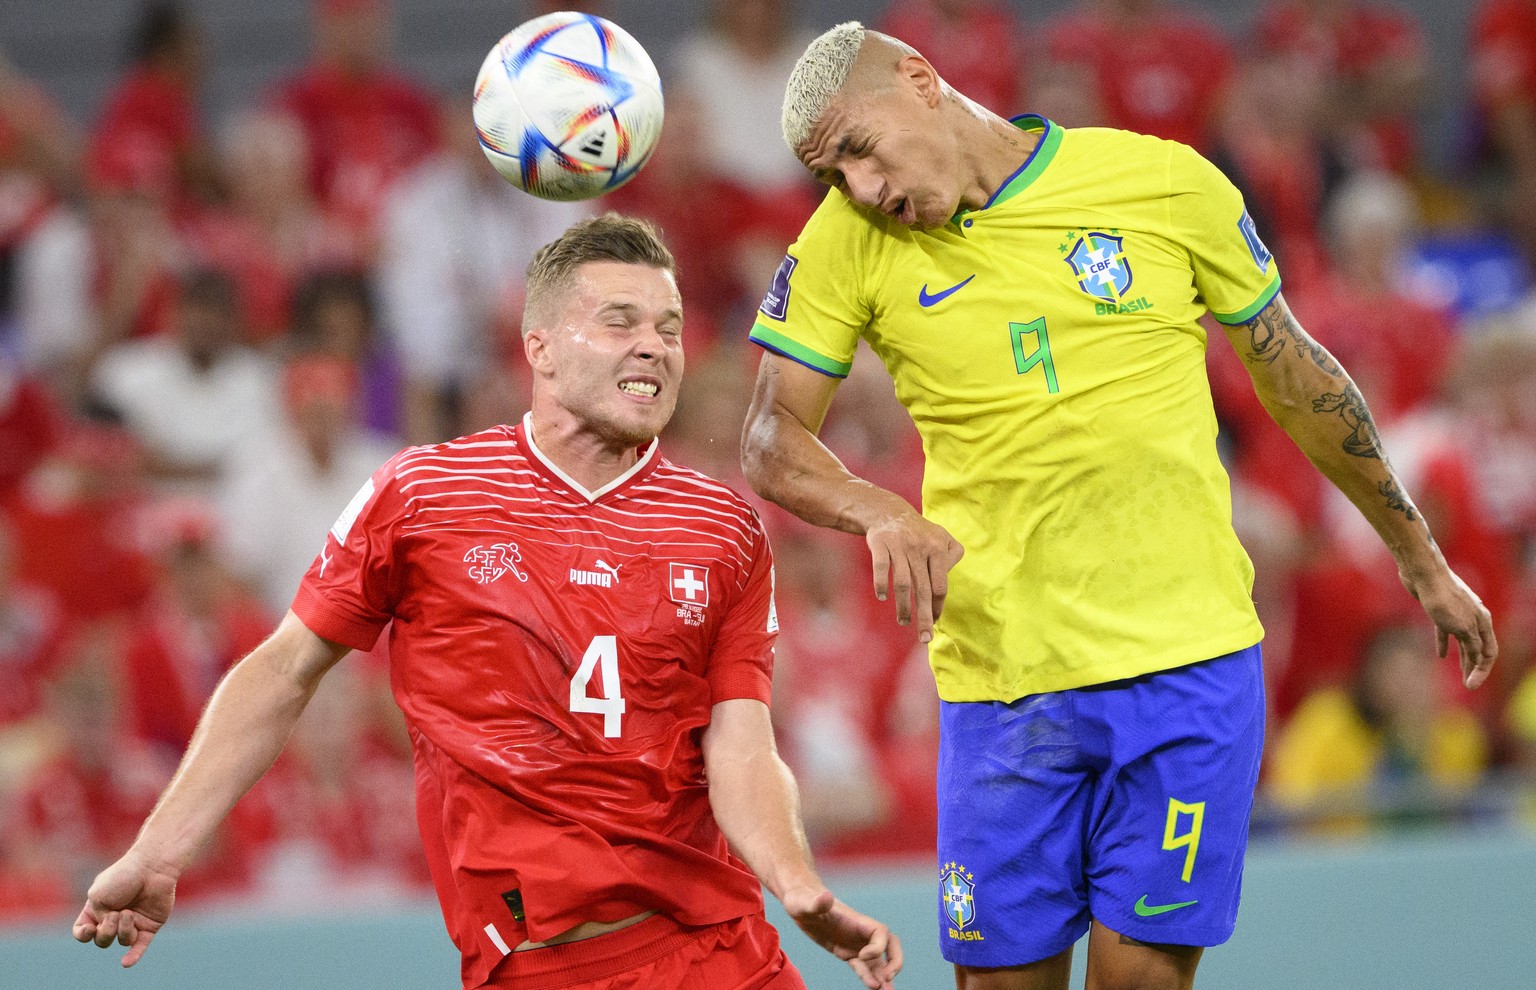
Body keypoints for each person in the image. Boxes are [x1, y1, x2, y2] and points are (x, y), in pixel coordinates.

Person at [740, 23, 1497, 990]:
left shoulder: (1164, 183)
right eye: (831, 174)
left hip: (1187, 668)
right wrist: (875, 508)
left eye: (857, 148)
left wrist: (1419, 555)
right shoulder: (850, 240)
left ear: (920, 82)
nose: (860, 187)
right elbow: (768, 436)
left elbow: (1299, 379)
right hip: (1004, 686)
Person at [71, 214, 901, 990]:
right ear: (539, 346)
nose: (654, 347)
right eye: (620, 322)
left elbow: (742, 745)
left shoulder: (724, 529)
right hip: (538, 965)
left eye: (670, 327)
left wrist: (795, 883)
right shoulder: (424, 495)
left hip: (721, 951)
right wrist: (160, 849)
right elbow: (286, 669)